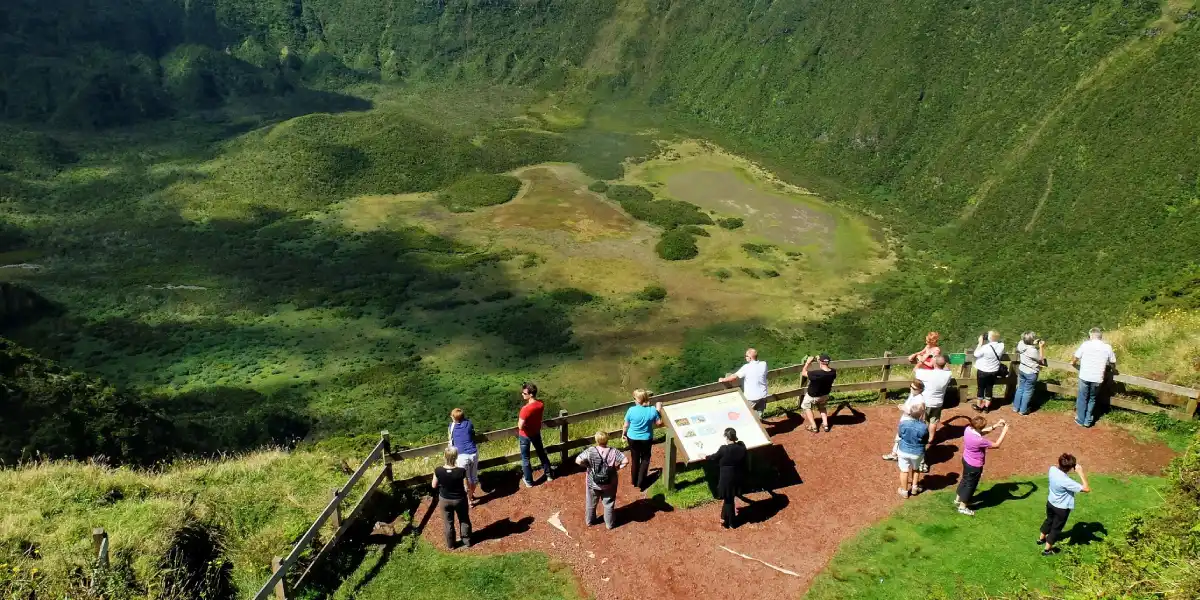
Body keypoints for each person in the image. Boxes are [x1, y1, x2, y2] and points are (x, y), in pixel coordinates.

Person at [956, 416, 1009, 516]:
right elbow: (996, 445)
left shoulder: (968, 429)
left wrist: (996, 425)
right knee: (970, 485)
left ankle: (958, 498)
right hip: (974, 466)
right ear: (978, 427)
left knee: (965, 479)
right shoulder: (979, 440)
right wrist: (1004, 431)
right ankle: (962, 507)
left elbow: (981, 431)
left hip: (966, 460)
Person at [575, 431, 629, 529]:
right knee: (609, 503)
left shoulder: (590, 451)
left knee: (591, 502)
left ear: (596, 440)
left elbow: (578, 460)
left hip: (593, 482)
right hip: (610, 483)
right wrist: (616, 468)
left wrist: (587, 466)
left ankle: (589, 521)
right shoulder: (613, 451)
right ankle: (609, 524)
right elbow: (626, 461)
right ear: (607, 440)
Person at [1039, 453, 1090, 555]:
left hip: (1050, 502)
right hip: (1061, 508)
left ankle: (1041, 539)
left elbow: (1060, 467)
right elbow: (1086, 489)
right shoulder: (1066, 481)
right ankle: (1047, 550)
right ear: (1070, 468)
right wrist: (1080, 473)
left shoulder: (1052, 469)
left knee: (1049, 520)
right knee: (1056, 529)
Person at [1072, 328, 1116, 427]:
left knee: (1082, 397)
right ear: (1100, 337)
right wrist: (1113, 370)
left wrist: (1073, 362)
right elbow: (1112, 362)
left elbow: (1076, 356)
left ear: (1091, 336)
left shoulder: (1085, 344)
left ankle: (1080, 419)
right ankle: (1088, 421)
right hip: (1097, 378)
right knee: (1092, 398)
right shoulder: (1107, 347)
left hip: (1085, 375)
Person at [623, 389, 664, 491]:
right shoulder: (652, 410)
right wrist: (658, 410)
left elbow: (626, 425)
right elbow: (659, 423)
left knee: (635, 458)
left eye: (634, 398)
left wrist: (623, 434)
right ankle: (641, 482)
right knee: (645, 459)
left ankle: (634, 481)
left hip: (632, 437)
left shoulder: (631, 410)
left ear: (637, 400)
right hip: (646, 438)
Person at [432, 446, 472, 549]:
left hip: (445, 499)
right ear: (456, 457)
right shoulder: (461, 471)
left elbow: (433, 485)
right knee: (464, 520)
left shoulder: (438, 470)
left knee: (448, 522)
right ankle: (466, 541)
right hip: (459, 499)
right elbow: (466, 487)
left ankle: (451, 545)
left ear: (444, 456)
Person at [914, 355, 953, 459]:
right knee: (933, 421)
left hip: (925, 402)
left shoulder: (927, 374)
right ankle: (931, 439)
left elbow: (915, 370)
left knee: (922, 421)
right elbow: (947, 368)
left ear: (934, 363)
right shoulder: (948, 374)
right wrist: (941, 360)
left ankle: (921, 438)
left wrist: (921, 361)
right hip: (938, 403)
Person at [708, 428, 748, 529]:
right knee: (729, 498)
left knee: (729, 500)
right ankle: (723, 518)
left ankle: (731, 522)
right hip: (737, 476)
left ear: (726, 437)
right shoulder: (741, 448)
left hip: (726, 477)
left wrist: (705, 456)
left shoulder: (724, 449)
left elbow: (714, 457)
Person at [517, 382, 555, 488]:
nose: (522, 394)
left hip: (525, 435)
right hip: (536, 433)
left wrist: (527, 427)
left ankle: (529, 481)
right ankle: (549, 475)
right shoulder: (540, 404)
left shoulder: (525, 409)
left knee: (525, 458)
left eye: (524, 393)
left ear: (531, 394)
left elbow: (520, 426)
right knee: (541, 453)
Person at [882, 379, 926, 462]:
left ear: (920, 390)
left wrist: (905, 409)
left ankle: (921, 461)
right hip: (905, 421)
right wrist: (904, 406)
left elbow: (918, 413)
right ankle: (894, 454)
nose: (911, 389)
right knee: (898, 437)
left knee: (912, 441)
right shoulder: (913, 394)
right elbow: (909, 406)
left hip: (911, 423)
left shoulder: (920, 400)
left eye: (914, 388)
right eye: (911, 386)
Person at [719, 348, 769, 419]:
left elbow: (734, 377)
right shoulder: (764, 364)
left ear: (750, 358)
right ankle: (759, 424)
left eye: (746, 356)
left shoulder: (746, 367)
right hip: (763, 395)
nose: (745, 357)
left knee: (746, 414)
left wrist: (723, 379)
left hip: (752, 397)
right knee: (759, 414)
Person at [447, 408, 481, 505]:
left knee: (466, 478)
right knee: (473, 478)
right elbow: (472, 433)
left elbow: (450, 438)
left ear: (454, 418)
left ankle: (469, 500)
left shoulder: (451, 426)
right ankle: (470, 496)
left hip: (461, 456)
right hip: (473, 453)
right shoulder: (469, 423)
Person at [895, 402, 929, 498]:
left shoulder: (903, 424)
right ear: (921, 415)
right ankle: (914, 488)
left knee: (904, 471)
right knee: (916, 469)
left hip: (903, 450)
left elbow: (900, 435)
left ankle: (904, 491)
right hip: (917, 452)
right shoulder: (924, 427)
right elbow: (926, 440)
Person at [801, 354, 837, 433]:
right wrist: (819, 361)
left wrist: (807, 363)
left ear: (820, 362)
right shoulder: (833, 372)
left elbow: (803, 373)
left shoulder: (816, 373)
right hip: (824, 395)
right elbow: (825, 368)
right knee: (822, 407)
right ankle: (826, 425)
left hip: (812, 396)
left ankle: (813, 427)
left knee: (806, 407)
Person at [1013, 332, 1046, 415]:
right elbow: (1041, 359)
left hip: (1022, 369)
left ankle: (1016, 407)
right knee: (1027, 391)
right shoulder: (1033, 350)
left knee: (1020, 388)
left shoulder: (1021, 344)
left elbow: (1025, 343)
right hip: (1031, 372)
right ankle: (1023, 410)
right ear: (1032, 340)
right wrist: (1041, 347)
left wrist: (1032, 343)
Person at [972, 331, 1005, 412]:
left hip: (983, 371)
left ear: (989, 338)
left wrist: (980, 343)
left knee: (981, 388)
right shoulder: (1001, 345)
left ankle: (979, 407)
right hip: (993, 371)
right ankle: (986, 408)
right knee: (989, 388)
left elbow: (976, 354)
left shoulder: (985, 347)